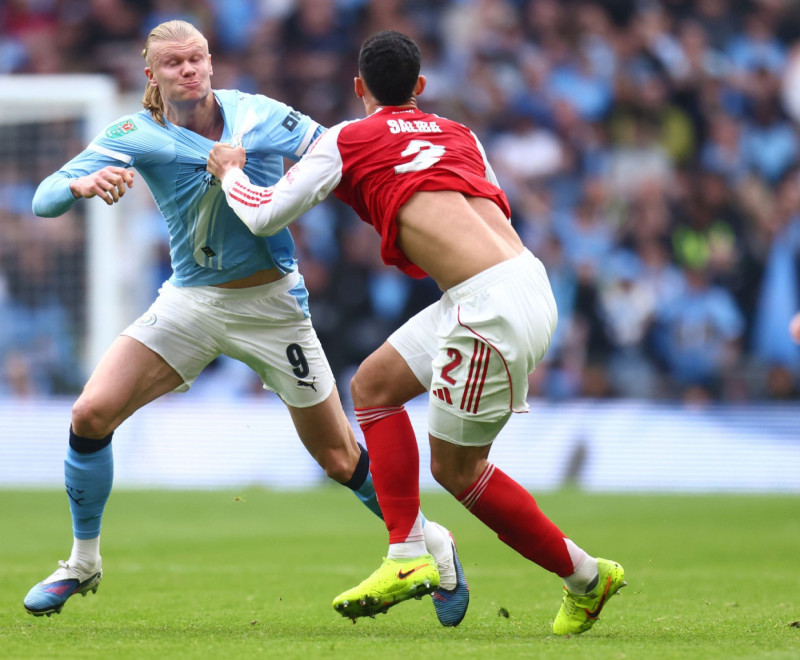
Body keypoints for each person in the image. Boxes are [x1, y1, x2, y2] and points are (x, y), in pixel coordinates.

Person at [22, 20, 467, 626]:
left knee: (339, 459)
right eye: (175, 62)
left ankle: (433, 543)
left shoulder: (257, 115)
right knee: (89, 414)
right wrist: (79, 183)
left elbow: (336, 155)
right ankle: (82, 562)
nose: (190, 69)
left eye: (198, 58)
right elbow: (42, 197)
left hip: (273, 308)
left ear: (211, 62)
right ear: (151, 74)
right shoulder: (134, 133)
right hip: (190, 303)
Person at [207, 30, 626, 635]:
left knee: (458, 472)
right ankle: (406, 553)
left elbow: (263, 211)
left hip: (488, 307)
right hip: (513, 280)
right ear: (420, 88)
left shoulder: (347, 137)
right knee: (374, 385)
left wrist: (230, 170)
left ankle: (587, 577)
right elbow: (491, 207)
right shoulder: (461, 133)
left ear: (358, 88)